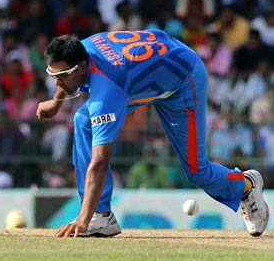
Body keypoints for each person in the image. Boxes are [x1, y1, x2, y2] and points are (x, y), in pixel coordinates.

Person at [36, 31, 269, 238]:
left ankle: (246, 185)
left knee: (197, 171)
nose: (56, 81)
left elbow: (99, 162)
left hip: (183, 80)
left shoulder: (106, 92)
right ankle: (102, 214)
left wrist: (82, 220)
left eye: (62, 75)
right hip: (151, 69)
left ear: (83, 67)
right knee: (83, 121)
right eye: (52, 75)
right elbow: (70, 73)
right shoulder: (81, 49)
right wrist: (57, 103)